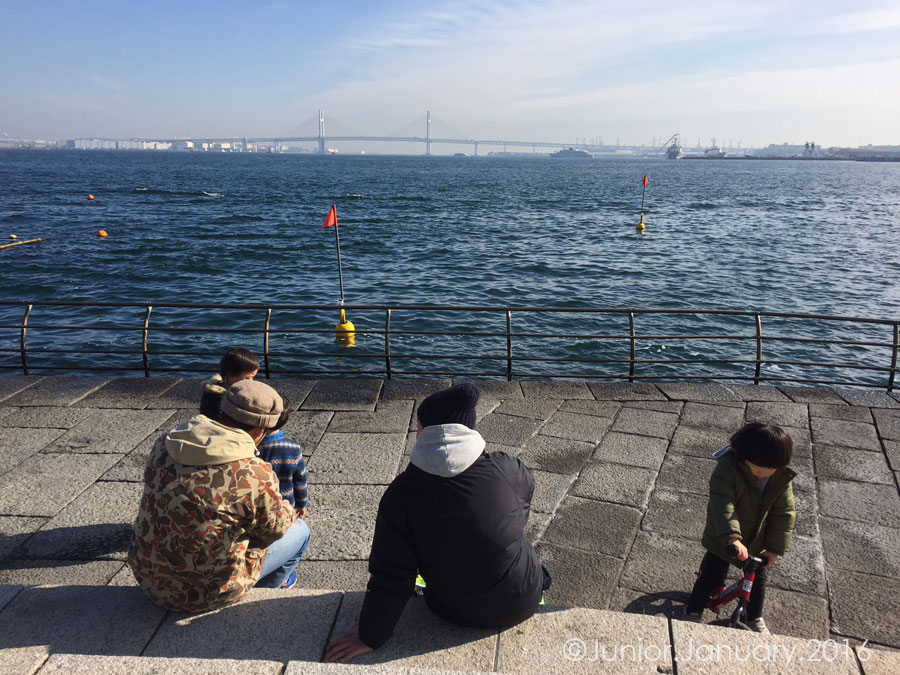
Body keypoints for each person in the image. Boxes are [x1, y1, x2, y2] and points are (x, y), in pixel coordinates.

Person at [326, 383, 548, 663]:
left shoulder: (401, 494)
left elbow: (391, 575)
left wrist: (370, 636)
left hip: (453, 611)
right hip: (523, 600)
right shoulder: (506, 467)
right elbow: (524, 499)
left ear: (422, 430)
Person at [128, 379, 311, 613]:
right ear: (261, 431)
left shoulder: (166, 444)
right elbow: (273, 531)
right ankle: (264, 592)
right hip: (206, 594)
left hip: (148, 577)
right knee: (301, 532)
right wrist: (286, 507)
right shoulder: (254, 473)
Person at [683, 422, 796, 634]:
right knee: (712, 573)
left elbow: (784, 513)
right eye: (758, 470)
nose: (762, 475)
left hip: (757, 540)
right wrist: (732, 537)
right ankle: (693, 609)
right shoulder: (727, 470)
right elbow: (723, 505)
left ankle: (753, 616)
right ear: (744, 458)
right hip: (723, 537)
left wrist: (774, 548)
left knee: (757, 580)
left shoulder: (780, 479)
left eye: (769, 472)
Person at [256, 396, 309, 518]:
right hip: (286, 506)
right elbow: (300, 481)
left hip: (258, 506)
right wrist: (302, 504)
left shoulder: (252, 447)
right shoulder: (293, 448)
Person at [199, 347, 259, 419]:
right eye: (248, 378)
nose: (252, 381)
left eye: (253, 377)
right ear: (230, 376)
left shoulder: (225, 389)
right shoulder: (220, 400)